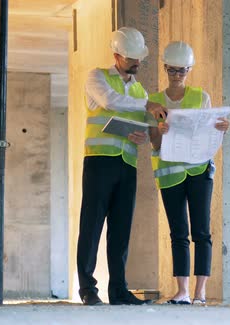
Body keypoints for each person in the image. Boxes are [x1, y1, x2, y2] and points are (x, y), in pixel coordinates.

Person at [77, 26, 166, 306]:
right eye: (131, 58)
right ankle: (88, 289)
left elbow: (143, 125)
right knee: (91, 227)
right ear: (116, 55)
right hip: (99, 161)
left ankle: (118, 291)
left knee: (121, 229)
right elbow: (109, 101)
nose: (137, 63)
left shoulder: (139, 88)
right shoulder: (97, 77)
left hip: (127, 164)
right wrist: (147, 105)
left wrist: (141, 134)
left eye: (139, 58)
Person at [149, 41, 230, 305]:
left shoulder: (200, 96)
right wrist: (158, 133)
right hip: (171, 174)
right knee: (178, 232)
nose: (176, 75)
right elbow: (154, 144)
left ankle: (200, 292)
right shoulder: (156, 101)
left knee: (201, 231)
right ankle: (183, 291)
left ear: (189, 70)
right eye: (172, 70)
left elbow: (208, 132)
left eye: (181, 70)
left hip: (198, 171)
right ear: (165, 68)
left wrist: (220, 128)